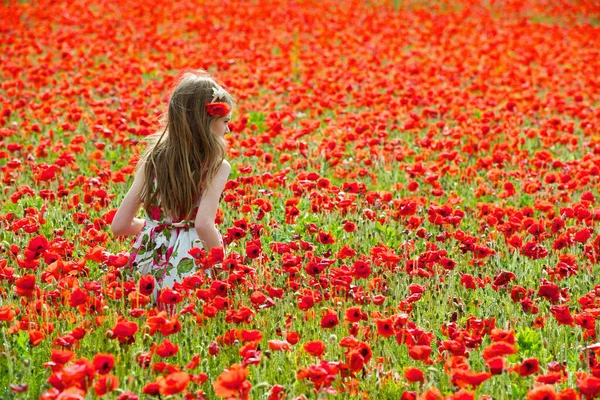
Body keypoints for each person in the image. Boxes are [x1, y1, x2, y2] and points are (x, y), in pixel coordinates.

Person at [111, 70, 233, 295]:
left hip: (148, 259)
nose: (228, 129)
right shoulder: (216, 166)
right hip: (188, 261)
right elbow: (203, 225)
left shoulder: (152, 159)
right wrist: (222, 268)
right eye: (225, 121)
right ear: (207, 120)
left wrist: (157, 228)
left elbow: (119, 226)